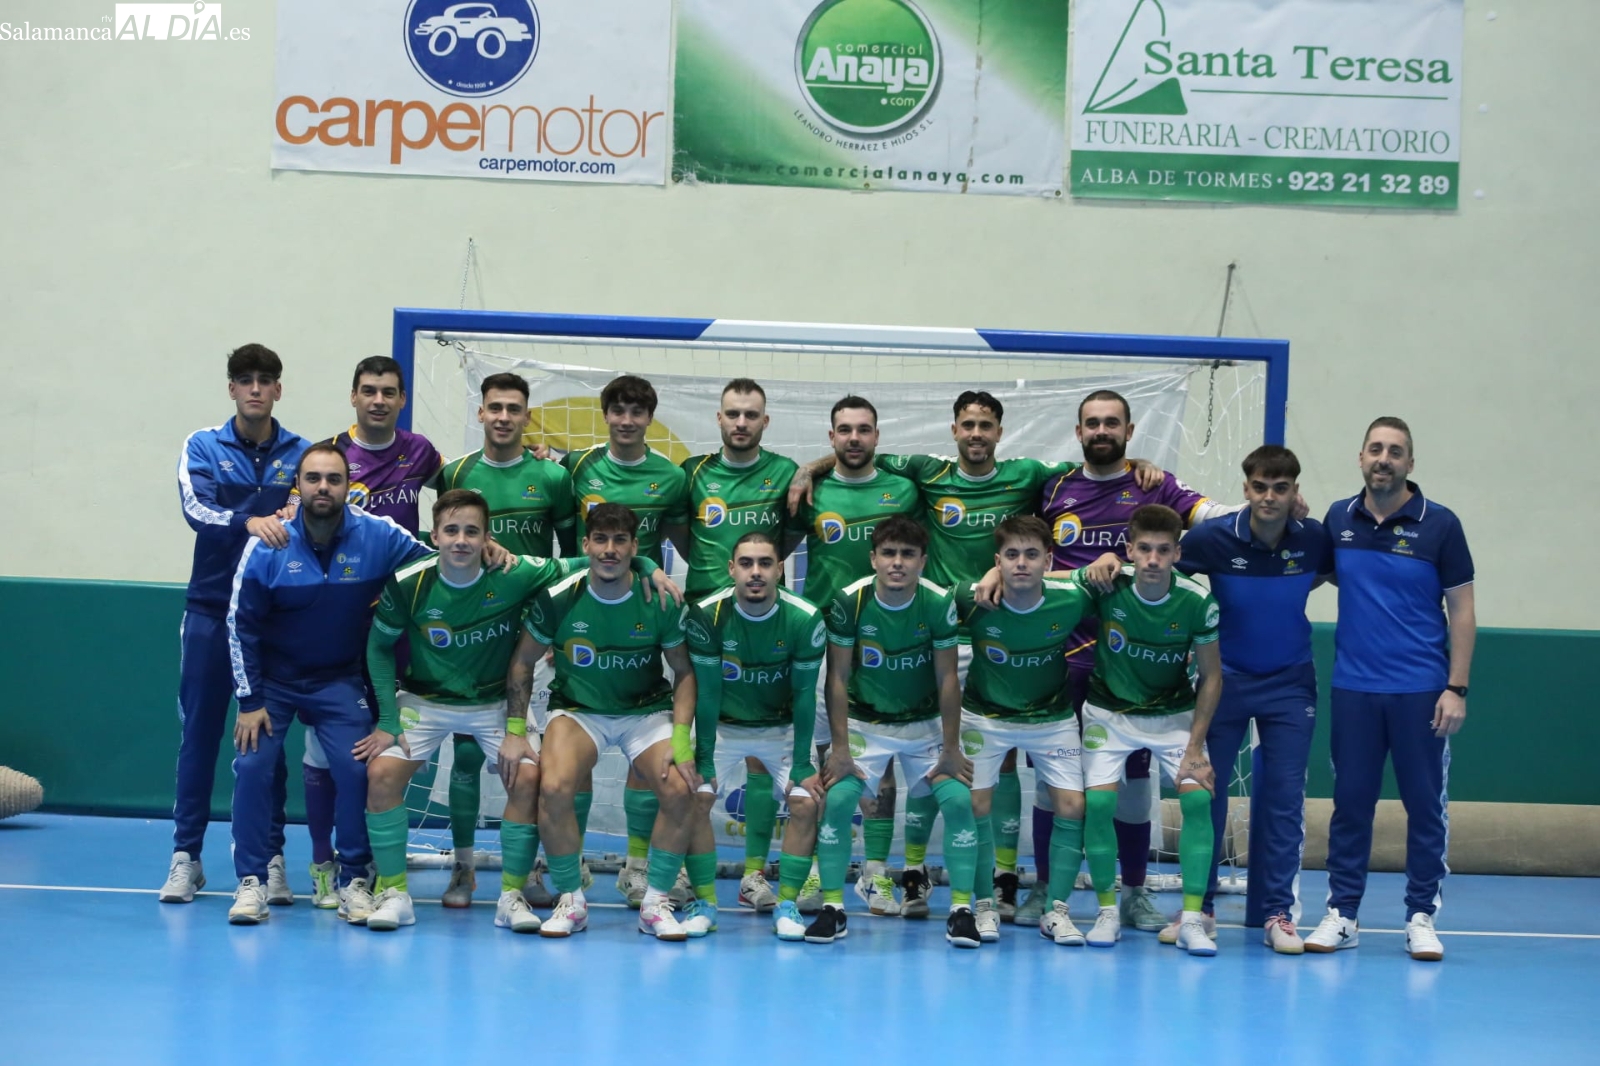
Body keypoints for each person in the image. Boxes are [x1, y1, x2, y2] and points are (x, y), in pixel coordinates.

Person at [790, 391, 1109, 919]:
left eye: (986, 424)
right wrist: (808, 468)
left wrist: (1140, 468)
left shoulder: (1028, 474)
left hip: (984, 631)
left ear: (1000, 432)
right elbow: (857, 451)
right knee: (883, 750)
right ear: (954, 429)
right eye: (968, 424)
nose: (976, 433)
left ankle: (1002, 877)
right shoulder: (926, 472)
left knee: (982, 758)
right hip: (915, 628)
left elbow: (1096, 466)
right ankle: (905, 873)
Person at [1018, 389, 1255, 931]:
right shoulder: (1051, 487)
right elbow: (1020, 547)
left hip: (1131, 671)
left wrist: (1270, 509)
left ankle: (1133, 893)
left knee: (1129, 789)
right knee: (1055, 785)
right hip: (1058, 662)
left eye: (1112, 423)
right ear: (1078, 432)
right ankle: (1045, 890)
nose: (1101, 431)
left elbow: (1214, 515)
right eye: (1092, 423)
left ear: (1129, 431)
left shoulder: (1154, 485)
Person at [358, 490, 587, 933]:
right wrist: (387, 719)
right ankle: (395, 894)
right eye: (452, 530)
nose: (461, 540)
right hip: (425, 701)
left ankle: (511, 897)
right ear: (434, 535)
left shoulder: (515, 573)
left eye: (471, 531)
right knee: (380, 774)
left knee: (529, 778)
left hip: (493, 703)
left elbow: (585, 564)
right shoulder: (409, 582)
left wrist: (646, 565)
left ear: (487, 537)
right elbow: (379, 647)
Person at [223, 443, 432, 924]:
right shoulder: (269, 542)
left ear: (348, 487)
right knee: (253, 766)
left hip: (339, 680)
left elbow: (439, 565)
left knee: (357, 769)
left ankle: (353, 877)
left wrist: (486, 551)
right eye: (313, 478)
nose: (323, 487)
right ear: (297, 486)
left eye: (334, 479)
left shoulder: (378, 534)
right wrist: (250, 700)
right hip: (273, 685)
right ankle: (252, 880)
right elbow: (239, 625)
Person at [1305, 417, 1474, 962]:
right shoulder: (1338, 519)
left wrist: (1456, 688)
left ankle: (1420, 916)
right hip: (1354, 689)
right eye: (1375, 449)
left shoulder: (1440, 524)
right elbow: (1314, 573)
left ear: (1410, 463)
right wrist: (1290, 523)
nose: (1384, 458)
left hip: (1421, 693)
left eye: (1395, 451)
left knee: (1425, 807)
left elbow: (1462, 610)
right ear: (1360, 457)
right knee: (1351, 806)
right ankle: (1343, 914)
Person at [505, 503, 699, 940]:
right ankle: (572, 901)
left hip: (645, 711)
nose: (610, 550)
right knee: (553, 787)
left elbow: (684, 672)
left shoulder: (660, 598)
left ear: (635, 547)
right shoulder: (559, 596)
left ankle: (655, 903)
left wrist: (681, 738)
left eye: (620, 540)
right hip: (579, 710)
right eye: (601, 540)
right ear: (586, 544)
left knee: (681, 787)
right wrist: (516, 730)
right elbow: (521, 662)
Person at [298, 356, 446, 909]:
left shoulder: (421, 452)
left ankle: (370, 863)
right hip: (337, 623)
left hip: (400, 624)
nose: (378, 400)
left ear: (402, 399)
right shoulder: (331, 458)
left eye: (388, 391)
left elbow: (462, 489)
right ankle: (324, 860)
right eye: (368, 391)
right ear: (353, 397)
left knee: (381, 747)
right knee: (324, 748)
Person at [163, 344, 308, 907]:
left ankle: (271, 858)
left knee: (266, 742)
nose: (255, 388)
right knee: (199, 736)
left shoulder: (301, 453)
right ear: (231, 389)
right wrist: (249, 521)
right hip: (208, 612)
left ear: (278, 390)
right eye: (244, 380)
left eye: (265, 380)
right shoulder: (203, 444)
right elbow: (195, 509)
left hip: (271, 620)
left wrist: (292, 515)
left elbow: (314, 512)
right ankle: (186, 857)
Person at [1170, 445, 1329, 953]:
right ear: (1245, 488)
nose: (1269, 497)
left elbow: (1338, 571)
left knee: (1283, 799)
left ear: (1294, 491)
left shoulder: (1314, 538)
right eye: (1260, 487)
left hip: (1290, 685)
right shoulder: (1212, 538)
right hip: (1224, 682)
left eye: (1280, 488)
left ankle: (1278, 913)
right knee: (1206, 794)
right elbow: (1161, 568)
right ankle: (1201, 908)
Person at [429, 372, 576, 908]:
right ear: (481, 413)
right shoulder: (455, 472)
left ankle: (530, 868)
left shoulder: (552, 476)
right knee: (468, 757)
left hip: (535, 636)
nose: (504, 417)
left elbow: (571, 557)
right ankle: (463, 869)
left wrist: (560, 626)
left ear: (527, 415)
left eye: (514, 408)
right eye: (495, 407)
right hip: (475, 637)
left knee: (532, 761)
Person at [807, 516, 982, 948]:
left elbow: (947, 678)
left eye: (907, 554)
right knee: (838, 800)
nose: (897, 562)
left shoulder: (938, 602)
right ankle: (833, 908)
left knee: (960, 801)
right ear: (873, 559)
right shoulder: (850, 601)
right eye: (888, 553)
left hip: (923, 725)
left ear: (922, 560)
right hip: (866, 723)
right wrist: (840, 748)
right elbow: (837, 678)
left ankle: (962, 911)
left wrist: (951, 747)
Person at [559, 375, 690, 906]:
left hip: (642, 610)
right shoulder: (576, 466)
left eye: (638, 412)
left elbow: (685, 541)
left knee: (645, 735)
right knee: (572, 747)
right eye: (619, 410)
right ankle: (571, 861)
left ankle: (638, 867)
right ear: (606, 414)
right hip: (582, 608)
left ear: (649, 419)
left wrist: (651, 568)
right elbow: (568, 535)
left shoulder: (672, 477)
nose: (627, 420)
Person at [787, 396, 920, 914]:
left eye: (864, 429)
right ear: (831, 437)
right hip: (824, 640)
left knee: (879, 760)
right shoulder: (811, 492)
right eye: (844, 430)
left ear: (877, 436)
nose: (854, 438)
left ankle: (875, 873)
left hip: (888, 641)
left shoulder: (906, 488)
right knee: (827, 760)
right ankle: (819, 871)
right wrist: (808, 471)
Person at [1073, 505, 1222, 956]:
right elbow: (1045, 580)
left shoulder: (1197, 602)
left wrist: (1195, 746)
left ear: (1177, 553)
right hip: (1109, 713)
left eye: (1163, 550)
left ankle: (1192, 920)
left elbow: (1212, 676)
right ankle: (1107, 912)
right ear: (1129, 551)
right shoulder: (1108, 584)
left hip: (1172, 716)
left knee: (1198, 800)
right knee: (1100, 804)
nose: (1153, 559)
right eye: (1144, 549)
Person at [679, 380, 799, 913]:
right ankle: (685, 872)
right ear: (719, 418)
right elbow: (678, 533)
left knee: (760, 751)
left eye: (752, 414)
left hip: (765, 625)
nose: (742, 422)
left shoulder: (786, 473)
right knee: (693, 752)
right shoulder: (692, 474)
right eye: (733, 413)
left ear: (765, 421)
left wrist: (813, 469)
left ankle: (754, 875)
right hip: (704, 625)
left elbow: (786, 540)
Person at [952, 516, 1093, 945]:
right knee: (975, 805)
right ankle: (984, 906)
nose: (1021, 563)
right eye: (1011, 555)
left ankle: (1057, 912)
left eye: (1032, 555)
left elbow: (1123, 574)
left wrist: (1108, 559)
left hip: (1051, 718)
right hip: (985, 717)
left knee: (1073, 806)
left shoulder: (1072, 597)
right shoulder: (971, 598)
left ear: (1048, 561)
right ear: (997, 561)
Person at [682, 531, 826, 939]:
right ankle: (705, 904)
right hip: (723, 728)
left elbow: (804, 695)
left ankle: (787, 905)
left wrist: (803, 762)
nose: (756, 572)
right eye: (746, 563)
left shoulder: (804, 617)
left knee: (805, 803)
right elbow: (708, 693)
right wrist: (704, 756)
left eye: (765, 563)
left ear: (780, 569)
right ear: (732, 569)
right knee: (694, 798)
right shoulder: (706, 614)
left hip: (781, 729)